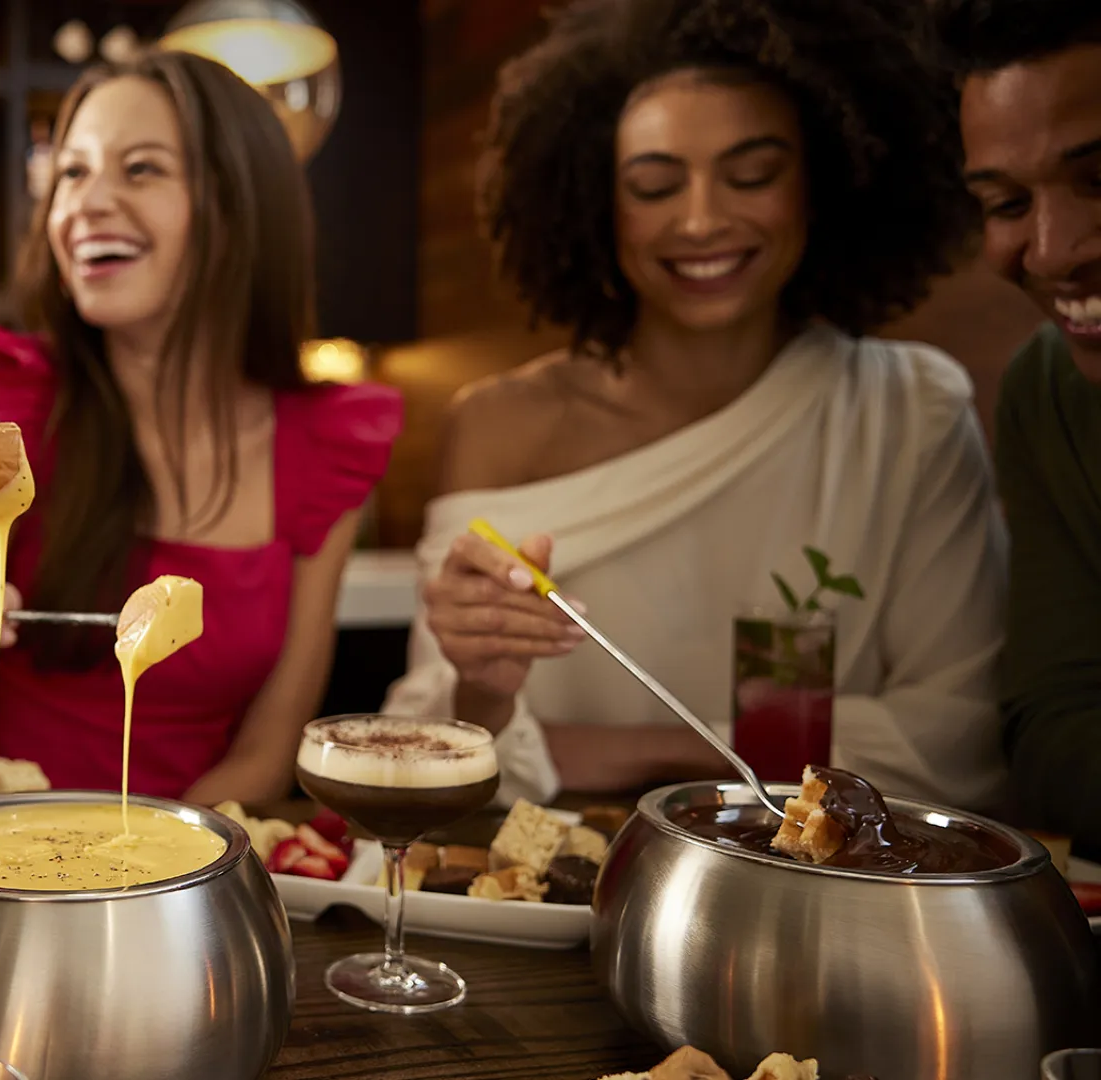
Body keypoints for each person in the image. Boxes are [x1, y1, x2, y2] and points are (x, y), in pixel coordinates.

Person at [383, 0, 1009, 810]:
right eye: (653, 185)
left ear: (822, 183)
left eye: (753, 175)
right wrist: (486, 691)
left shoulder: (911, 414)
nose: (702, 218)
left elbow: (959, 738)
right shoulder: (495, 427)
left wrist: (634, 753)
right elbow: (431, 743)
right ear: (598, 206)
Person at [0, 51, 403, 807]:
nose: (86, 203)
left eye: (142, 169)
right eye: (72, 172)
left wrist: (141, 876)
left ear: (237, 206)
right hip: (0, 848)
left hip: (196, 869)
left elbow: (268, 750)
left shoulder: (326, 442)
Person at [933, 0, 1101, 853]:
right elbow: (1049, 731)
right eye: (1004, 201)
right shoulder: (1049, 390)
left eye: (1100, 178)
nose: (1052, 247)